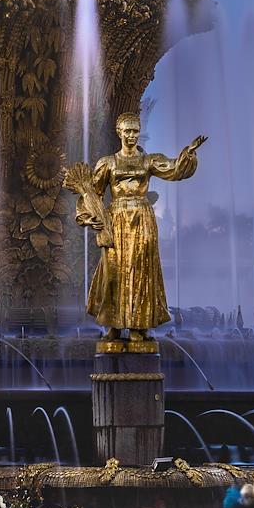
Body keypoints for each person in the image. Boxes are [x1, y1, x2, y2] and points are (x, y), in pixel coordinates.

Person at [74, 112, 205, 341]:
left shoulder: (148, 161)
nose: (132, 135)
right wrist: (89, 217)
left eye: (135, 131)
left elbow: (174, 169)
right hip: (116, 221)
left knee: (141, 270)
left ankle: (138, 325)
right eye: (128, 131)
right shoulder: (108, 163)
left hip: (142, 219)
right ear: (119, 133)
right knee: (113, 271)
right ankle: (113, 324)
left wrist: (189, 153)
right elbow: (93, 193)